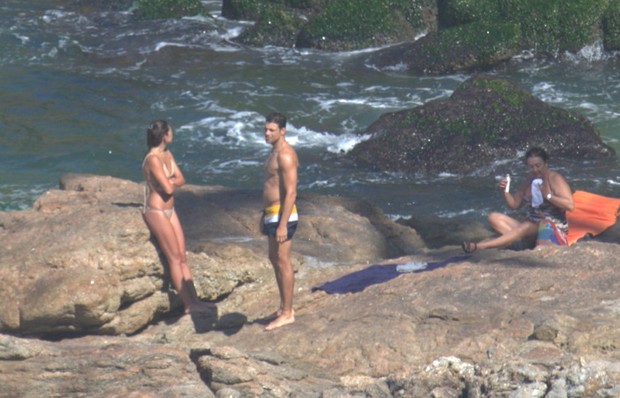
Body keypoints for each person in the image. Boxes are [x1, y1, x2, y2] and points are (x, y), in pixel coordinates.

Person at [142, 120, 214, 315]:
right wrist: (171, 182)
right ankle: (188, 305)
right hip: (156, 211)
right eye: (170, 131)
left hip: (170, 209)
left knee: (182, 257)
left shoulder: (167, 154)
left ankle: (196, 300)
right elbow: (167, 187)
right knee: (174, 258)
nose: (173, 133)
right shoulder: (152, 159)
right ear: (164, 136)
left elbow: (182, 179)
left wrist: (170, 181)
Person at [462, 147, 574, 253]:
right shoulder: (529, 181)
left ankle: (480, 246)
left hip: (551, 228)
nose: (535, 170)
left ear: (546, 163)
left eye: (538, 166)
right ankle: (516, 241)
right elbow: (514, 204)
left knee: (527, 225)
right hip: (531, 229)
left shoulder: (554, 179)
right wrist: (504, 191)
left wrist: (548, 196)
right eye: (531, 167)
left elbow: (570, 205)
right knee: (494, 217)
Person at [260, 112, 299, 330]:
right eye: (265, 129)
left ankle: (287, 312)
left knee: (283, 260)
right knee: (274, 258)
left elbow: (291, 192)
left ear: (282, 131)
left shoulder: (285, 155)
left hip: (282, 213)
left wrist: (282, 223)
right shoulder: (273, 152)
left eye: (271, 130)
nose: (266, 133)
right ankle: (285, 306)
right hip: (271, 212)